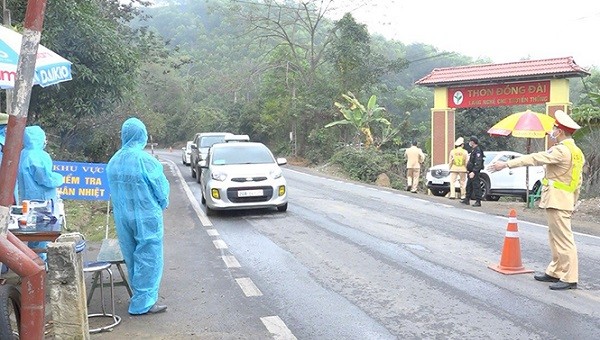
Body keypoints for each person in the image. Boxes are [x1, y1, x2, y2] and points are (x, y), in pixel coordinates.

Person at [488, 110, 584, 290]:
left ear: (561, 132)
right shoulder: (577, 151)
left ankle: (570, 277)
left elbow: (535, 158)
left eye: (555, 129)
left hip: (557, 199)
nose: (553, 131)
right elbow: (578, 181)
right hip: (563, 199)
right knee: (555, 237)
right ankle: (555, 271)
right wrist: (574, 201)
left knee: (563, 239)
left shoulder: (561, 151)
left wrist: (506, 164)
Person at [107, 117, 170, 314]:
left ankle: (139, 294)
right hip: (146, 215)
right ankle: (144, 302)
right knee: (149, 256)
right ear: (142, 135)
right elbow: (160, 189)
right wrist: (162, 203)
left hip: (123, 215)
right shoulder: (146, 160)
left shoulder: (114, 160)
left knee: (131, 255)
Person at [17, 125, 64, 261]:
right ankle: (40, 267)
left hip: (26, 200)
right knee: (43, 236)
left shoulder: (22, 154)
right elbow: (45, 178)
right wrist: (59, 178)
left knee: (31, 234)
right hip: (43, 201)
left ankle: (31, 263)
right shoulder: (39, 156)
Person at [461, 136, 484, 207]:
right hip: (471, 171)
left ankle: (478, 201)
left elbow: (478, 162)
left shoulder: (477, 151)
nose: (469, 143)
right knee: (469, 186)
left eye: (470, 141)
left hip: (474, 172)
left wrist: (474, 172)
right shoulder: (473, 150)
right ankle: (467, 199)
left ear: (473, 142)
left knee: (476, 186)